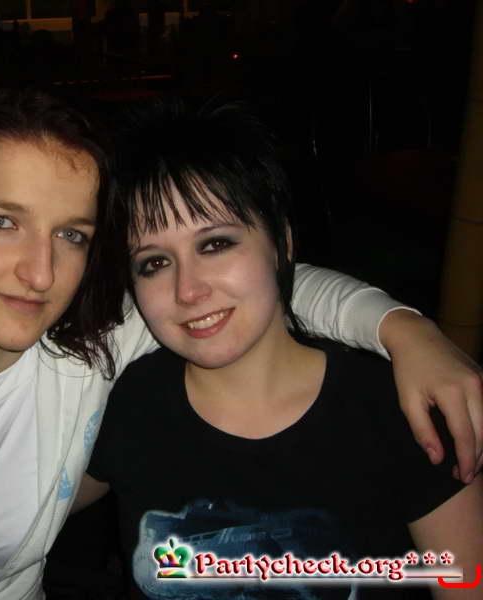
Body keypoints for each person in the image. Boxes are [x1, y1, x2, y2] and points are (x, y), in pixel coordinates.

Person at [0, 89, 483, 599]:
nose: (40, 272)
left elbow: (265, 285)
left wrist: (405, 329)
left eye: (71, 235)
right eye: (1, 221)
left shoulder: (86, 352)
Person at [79, 99, 483, 599]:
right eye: (155, 263)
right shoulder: (126, 405)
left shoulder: (398, 410)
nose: (188, 290)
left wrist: (409, 330)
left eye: (215, 244)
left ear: (282, 243)